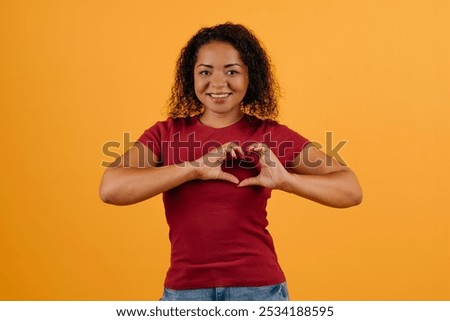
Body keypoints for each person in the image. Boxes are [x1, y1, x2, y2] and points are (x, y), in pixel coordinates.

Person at [99, 22, 362, 301]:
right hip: (185, 292)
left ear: (251, 78)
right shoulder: (166, 134)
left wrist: (288, 180)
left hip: (258, 291)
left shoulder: (269, 135)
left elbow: (350, 190)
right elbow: (111, 189)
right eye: (205, 72)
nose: (218, 83)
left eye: (232, 71)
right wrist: (193, 168)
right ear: (191, 77)